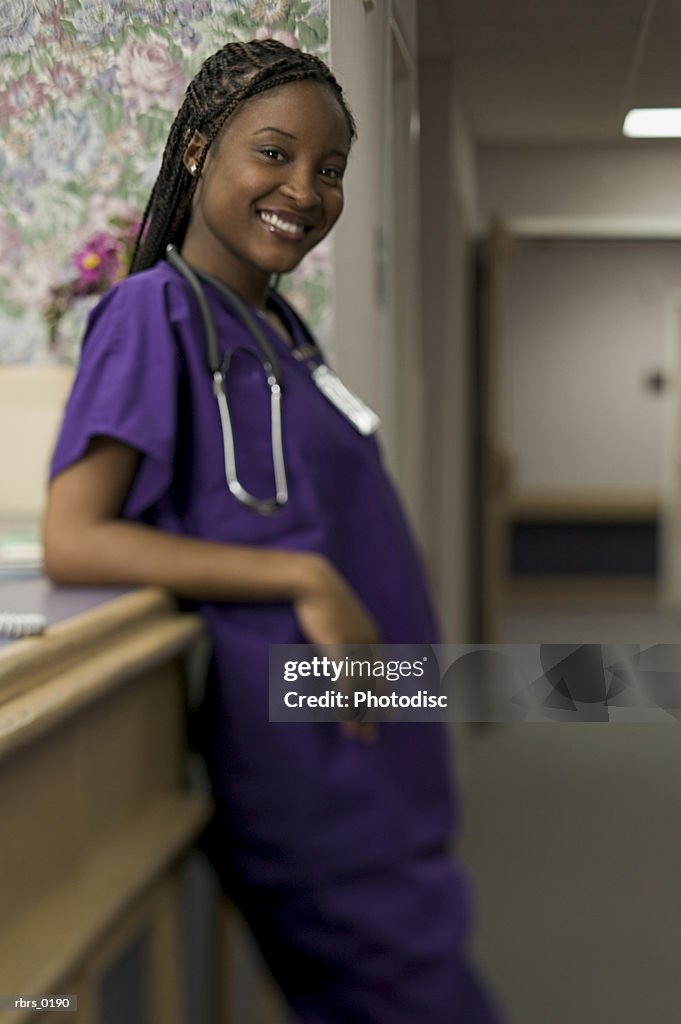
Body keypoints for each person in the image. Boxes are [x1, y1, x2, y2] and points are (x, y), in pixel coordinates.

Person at [44, 39, 502, 1024]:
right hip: (308, 772)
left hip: (377, 755)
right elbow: (74, 536)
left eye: (329, 169)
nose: (306, 187)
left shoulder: (279, 329)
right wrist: (301, 579)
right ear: (200, 149)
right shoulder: (151, 314)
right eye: (275, 152)